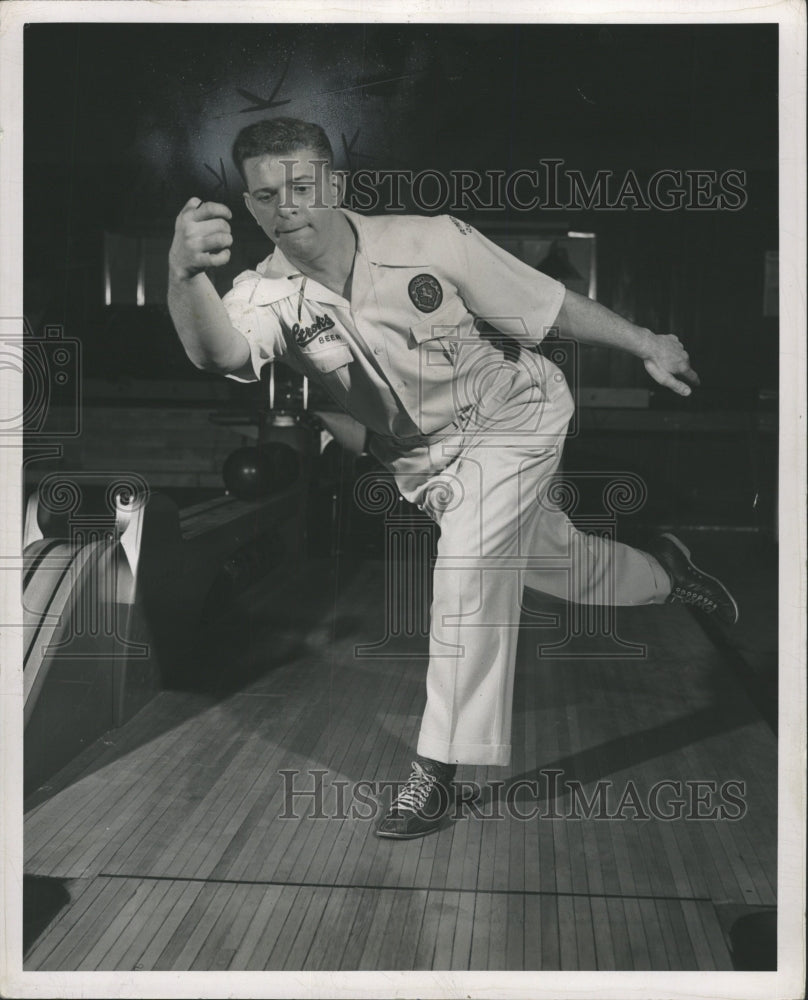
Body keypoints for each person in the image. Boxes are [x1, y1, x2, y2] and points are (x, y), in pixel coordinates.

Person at [167, 117, 738, 840]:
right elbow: (218, 352)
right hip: (422, 460)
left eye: (303, 186)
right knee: (553, 563)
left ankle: (436, 775)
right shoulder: (263, 295)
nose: (288, 205)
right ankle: (664, 571)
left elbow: (546, 304)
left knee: (468, 562)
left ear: (334, 185)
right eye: (267, 193)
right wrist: (183, 275)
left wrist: (645, 341)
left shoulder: (429, 240)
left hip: (514, 415)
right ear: (249, 205)